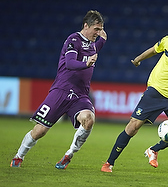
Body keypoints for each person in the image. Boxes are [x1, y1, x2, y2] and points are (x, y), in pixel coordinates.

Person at [101, 19, 168, 173]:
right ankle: (109, 163)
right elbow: (153, 50)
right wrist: (138, 59)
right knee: (132, 127)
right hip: (156, 92)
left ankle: (154, 150)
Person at [10, 10, 107, 169]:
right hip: (61, 91)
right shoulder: (73, 40)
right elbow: (70, 63)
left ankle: (69, 154)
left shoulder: (93, 45)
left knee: (89, 119)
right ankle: (19, 156)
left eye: (100, 29)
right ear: (85, 26)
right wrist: (86, 64)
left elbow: (98, 43)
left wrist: (103, 37)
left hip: (80, 95)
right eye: (96, 29)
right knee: (40, 130)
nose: (98, 32)